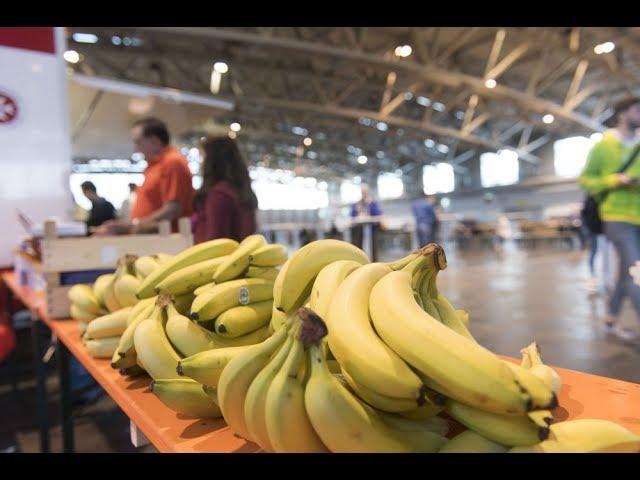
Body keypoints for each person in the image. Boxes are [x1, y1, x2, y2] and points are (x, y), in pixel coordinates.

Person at [579, 96, 640, 341]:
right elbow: (586, 181)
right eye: (638, 110)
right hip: (616, 217)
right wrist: (615, 180)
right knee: (637, 271)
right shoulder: (603, 146)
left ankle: (611, 319)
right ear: (623, 113)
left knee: (628, 273)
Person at [94, 118, 194, 235]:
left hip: (165, 240)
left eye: (138, 142)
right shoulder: (155, 165)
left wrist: (133, 226)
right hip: (154, 238)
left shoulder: (172, 162)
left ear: (154, 141)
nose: (136, 148)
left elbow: (172, 210)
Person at [192, 136, 257, 243]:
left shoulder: (219, 194)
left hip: (217, 258)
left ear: (212, 161)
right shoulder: (240, 192)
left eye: (204, 157)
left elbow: (215, 241)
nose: (202, 163)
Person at [350, 184, 383, 261]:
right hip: (359, 230)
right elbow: (352, 217)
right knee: (358, 247)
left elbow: (379, 215)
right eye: (362, 191)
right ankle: (360, 261)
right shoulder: (356, 204)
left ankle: (374, 263)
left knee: (374, 248)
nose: (364, 193)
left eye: (365, 191)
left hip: (372, 230)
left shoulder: (373, 203)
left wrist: (368, 216)